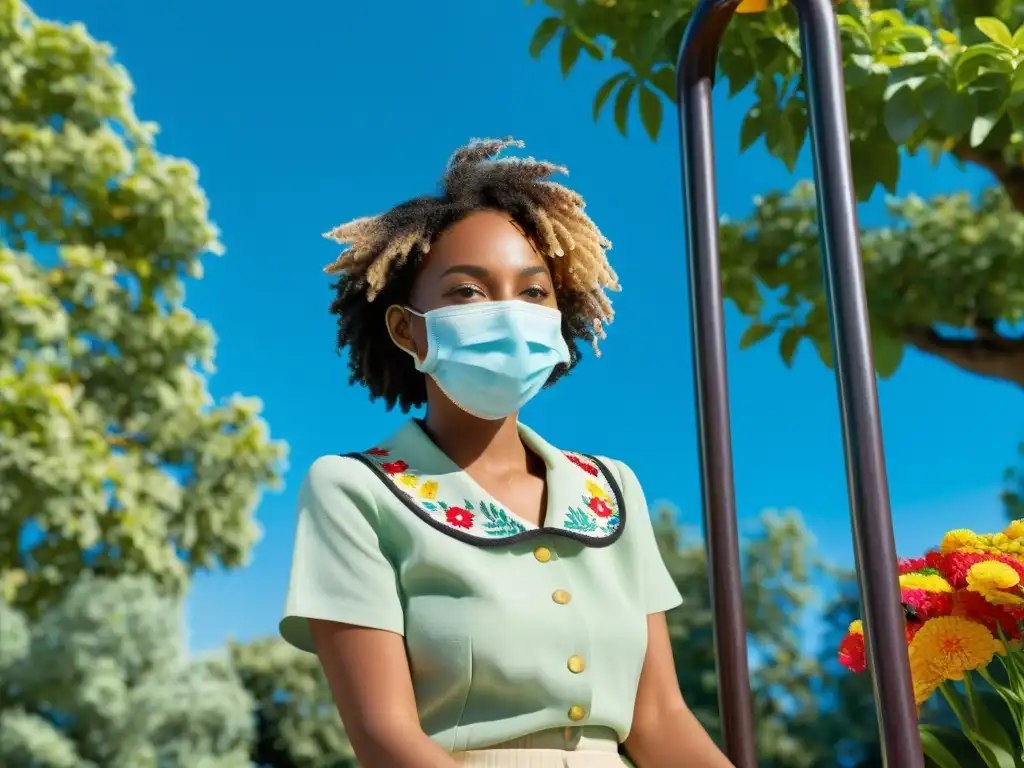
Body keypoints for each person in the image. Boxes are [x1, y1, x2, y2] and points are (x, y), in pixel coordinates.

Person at [279, 137, 733, 767]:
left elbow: (659, 719)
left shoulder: (614, 488)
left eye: (534, 292)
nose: (508, 312)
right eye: (467, 291)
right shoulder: (353, 491)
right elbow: (386, 739)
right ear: (409, 330)